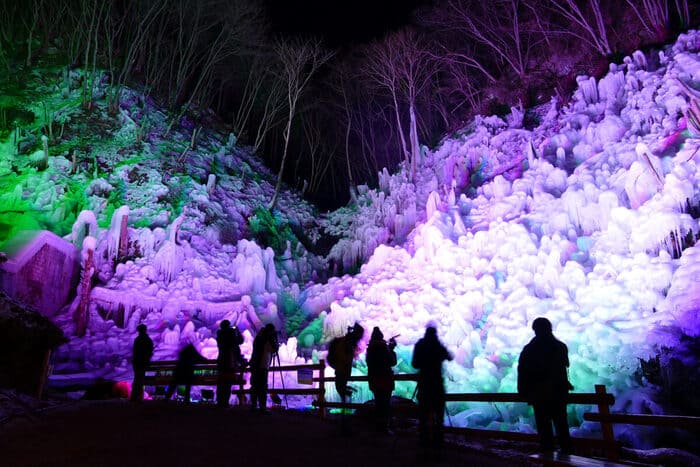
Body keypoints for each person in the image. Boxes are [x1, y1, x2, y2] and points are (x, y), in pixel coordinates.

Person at [518, 317, 574, 454]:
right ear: (550, 328)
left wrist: (523, 391)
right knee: (561, 425)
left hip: (539, 395)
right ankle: (566, 455)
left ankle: (548, 457)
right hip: (558, 393)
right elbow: (564, 367)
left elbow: (523, 372)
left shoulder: (529, 349)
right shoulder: (560, 347)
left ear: (535, 330)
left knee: (544, 429)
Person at [411, 323, 453, 461]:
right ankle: (438, 443)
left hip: (424, 383)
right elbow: (449, 356)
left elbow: (415, 364)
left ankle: (423, 444)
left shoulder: (420, 345)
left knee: (423, 415)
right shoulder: (437, 345)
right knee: (438, 415)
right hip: (436, 384)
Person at [366, 326, 397, 433]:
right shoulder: (383, 347)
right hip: (384, 379)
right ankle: (384, 428)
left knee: (378, 404)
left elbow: (369, 363)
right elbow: (392, 361)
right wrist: (391, 349)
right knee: (385, 405)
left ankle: (378, 427)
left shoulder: (370, 349)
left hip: (374, 380)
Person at [249, 323, 279, 413]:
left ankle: (253, 406)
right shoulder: (267, 338)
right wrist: (275, 339)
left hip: (254, 364)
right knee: (262, 387)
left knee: (254, 386)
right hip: (262, 365)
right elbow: (274, 349)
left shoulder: (258, 337)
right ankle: (262, 407)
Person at [216, 319, 245, 408]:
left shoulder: (219, 334)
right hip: (229, 362)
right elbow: (240, 341)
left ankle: (219, 402)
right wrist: (236, 331)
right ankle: (225, 403)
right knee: (227, 383)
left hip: (221, 362)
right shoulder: (230, 333)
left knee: (221, 383)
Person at [131, 324, 153, 402]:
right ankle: (139, 397)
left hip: (137, 362)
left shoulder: (137, 340)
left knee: (136, 379)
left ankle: (134, 396)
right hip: (143, 362)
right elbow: (150, 351)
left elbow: (134, 351)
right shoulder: (148, 340)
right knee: (140, 379)